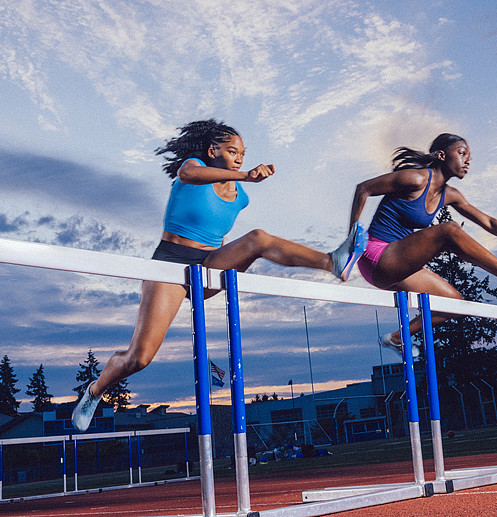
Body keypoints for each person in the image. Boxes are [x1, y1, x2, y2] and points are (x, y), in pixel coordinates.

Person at [72, 119, 367, 432]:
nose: (240, 157)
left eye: (242, 153)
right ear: (213, 150)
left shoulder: (240, 196)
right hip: (170, 265)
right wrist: (245, 176)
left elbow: (221, 239)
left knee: (258, 239)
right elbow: (188, 175)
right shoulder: (194, 168)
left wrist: (226, 263)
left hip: (208, 267)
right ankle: (94, 391)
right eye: (231, 151)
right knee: (139, 358)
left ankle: (332, 262)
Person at [349, 133, 497, 356]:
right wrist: (352, 238)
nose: (467, 160)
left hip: (396, 264)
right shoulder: (416, 178)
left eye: (469, 157)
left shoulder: (450, 195)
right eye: (462, 153)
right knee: (449, 230)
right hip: (376, 255)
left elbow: (488, 222)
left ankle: (396, 338)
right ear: (441, 155)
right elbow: (363, 189)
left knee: (453, 303)